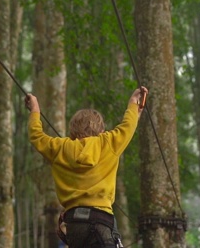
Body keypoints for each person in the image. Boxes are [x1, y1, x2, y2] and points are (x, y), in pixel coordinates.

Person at [24, 86, 147, 248]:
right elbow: (128, 126)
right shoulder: (108, 143)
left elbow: (36, 136)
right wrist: (133, 104)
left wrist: (35, 110)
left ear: (72, 132)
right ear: (101, 130)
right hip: (101, 221)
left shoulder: (59, 147)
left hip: (74, 225)